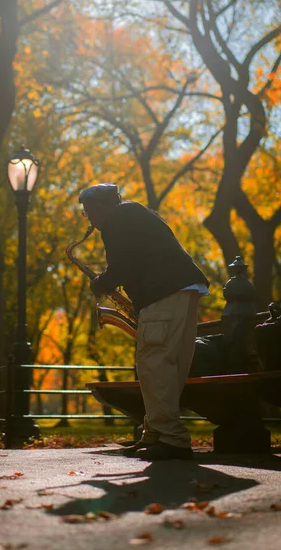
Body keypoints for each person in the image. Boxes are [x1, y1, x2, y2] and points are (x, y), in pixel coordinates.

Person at [78, 183, 209, 461]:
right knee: (165, 367)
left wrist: (101, 283)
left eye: (88, 213)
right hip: (181, 290)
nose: (89, 220)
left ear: (99, 207)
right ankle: (155, 434)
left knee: (153, 363)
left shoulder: (117, 219)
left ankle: (172, 438)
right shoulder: (134, 213)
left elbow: (124, 265)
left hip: (162, 293)